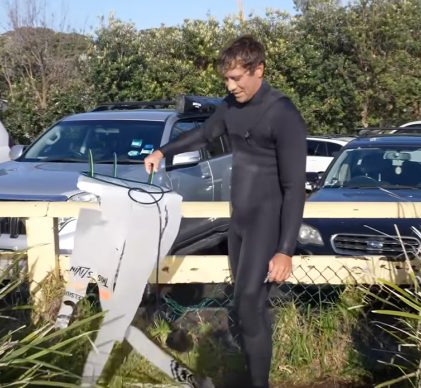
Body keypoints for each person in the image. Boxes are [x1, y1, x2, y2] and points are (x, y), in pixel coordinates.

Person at [144, 35, 307, 388]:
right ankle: (251, 377)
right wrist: (162, 152)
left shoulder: (282, 112)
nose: (231, 87)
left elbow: (295, 188)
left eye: (238, 79)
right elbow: (204, 135)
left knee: (249, 302)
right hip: (240, 224)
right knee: (247, 307)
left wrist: (285, 250)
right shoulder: (231, 107)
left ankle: (258, 383)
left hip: (268, 222)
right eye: (227, 80)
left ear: (259, 70)